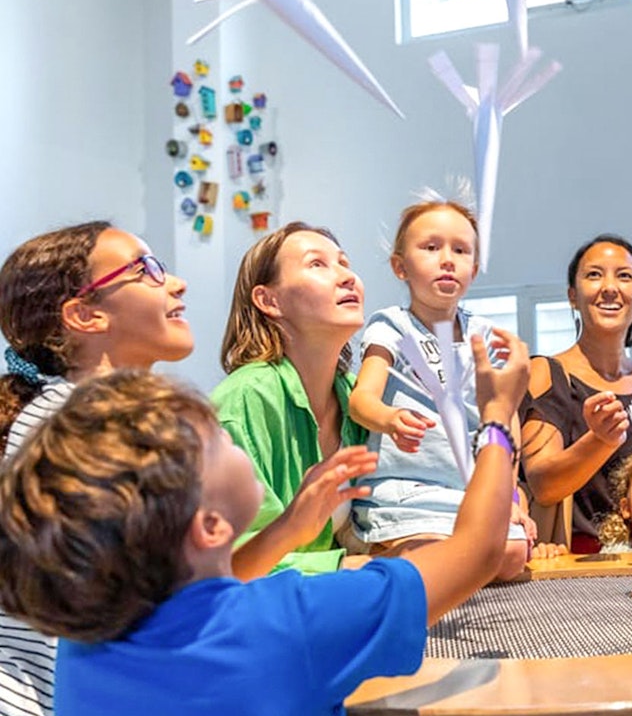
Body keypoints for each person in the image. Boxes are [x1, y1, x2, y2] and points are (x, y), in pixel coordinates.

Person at [0, 326, 530, 716]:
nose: (230, 435)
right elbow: (478, 549)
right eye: (218, 438)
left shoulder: (86, 643)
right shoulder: (293, 621)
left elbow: (202, 589)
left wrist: (286, 531)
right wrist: (497, 419)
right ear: (208, 526)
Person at [0, 221, 192, 716]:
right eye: (145, 270)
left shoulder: (75, 412)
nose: (174, 282)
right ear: (84, 315)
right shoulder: (77, 425)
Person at [346, 199, 532, 578]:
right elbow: (360, 400)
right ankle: (385, 566)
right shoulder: (392, 326)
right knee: (432, 552)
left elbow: (505, 420)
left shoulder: (484, 333)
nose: (447, 259)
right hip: (407, 490)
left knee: (513, 553)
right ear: (400, 267)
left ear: (474, 269)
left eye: (460, 250)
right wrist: (390, 418)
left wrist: (508, 495)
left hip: (469, 493)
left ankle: (443, 573)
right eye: (431, 248)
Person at [213, 222, 384, 577]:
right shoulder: (243, 400)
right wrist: (342, 566)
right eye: (317, 264)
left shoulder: (357, 396)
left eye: (345, 263)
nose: (347, 277)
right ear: (268, 301)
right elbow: (228, 561)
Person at [520, 234, 632, 553]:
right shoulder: (546, 374)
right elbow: (544, 485)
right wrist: (601, 440)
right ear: (572, 297)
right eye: (594, 274)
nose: (609, 287)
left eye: (624, 275)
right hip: (567, 566)